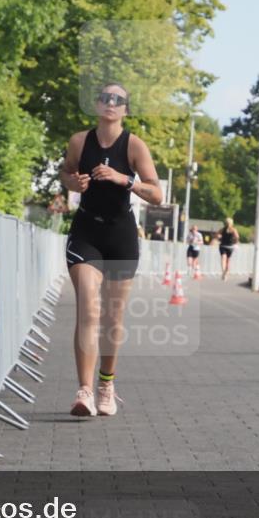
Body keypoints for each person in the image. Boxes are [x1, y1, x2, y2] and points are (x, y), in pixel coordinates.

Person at [59, 84, 163, 415]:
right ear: (96, 104)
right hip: (86, 231)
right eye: (105, 98)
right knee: (89, 308)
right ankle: (84, 391)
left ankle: (106, 385)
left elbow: (157, 194)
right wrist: (72, 182)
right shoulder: (80, 141)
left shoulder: (134, 146)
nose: (111, 103)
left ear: (126, 110)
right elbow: (66, 172)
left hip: (121, 235)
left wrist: (124, 179)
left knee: (113, 317)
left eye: (118, 100)